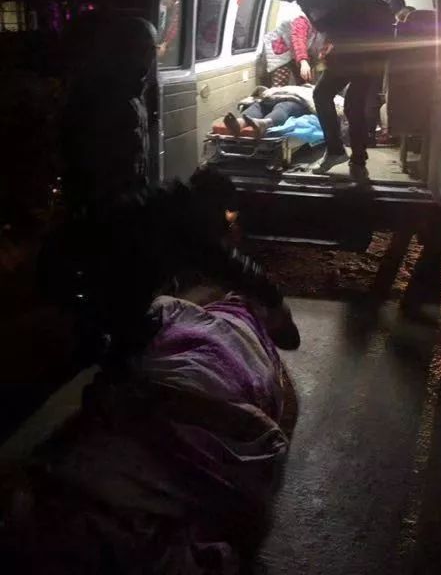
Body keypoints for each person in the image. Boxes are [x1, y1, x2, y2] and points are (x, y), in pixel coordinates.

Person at [8, 170, 300, 574]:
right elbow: (226, 264)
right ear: (211, 205)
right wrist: (272, 301)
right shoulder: (175, 224)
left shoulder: (164, 207)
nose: (226, 224)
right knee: (104, 359)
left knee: (123, 360)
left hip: (85, 278)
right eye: (226, 215)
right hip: (80, 285)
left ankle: (105, 432)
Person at [260, 0, 394, 175]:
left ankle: (347, 156)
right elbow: (331, 23)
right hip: (361, 42)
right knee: (339, 99)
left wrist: (335, 52)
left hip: (371, 42)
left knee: (342, 99)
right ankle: (349, 157)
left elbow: (349, 15)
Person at [61, 15, 157, 214]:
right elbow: (93, 158)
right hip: (107, 206)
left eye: (152, 49)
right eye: (146, 49)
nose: (151, 56)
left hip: (128, 200)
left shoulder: (135, 89)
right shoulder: (102, 94)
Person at [263, 13, 326, 86]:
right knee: (281, 80)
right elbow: (299, 40)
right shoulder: (302, 21)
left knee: (304, 79)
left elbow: (318, 43)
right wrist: (303, 61)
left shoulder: (320, 28)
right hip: (280, 50)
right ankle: (278, 91)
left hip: (296, 53)